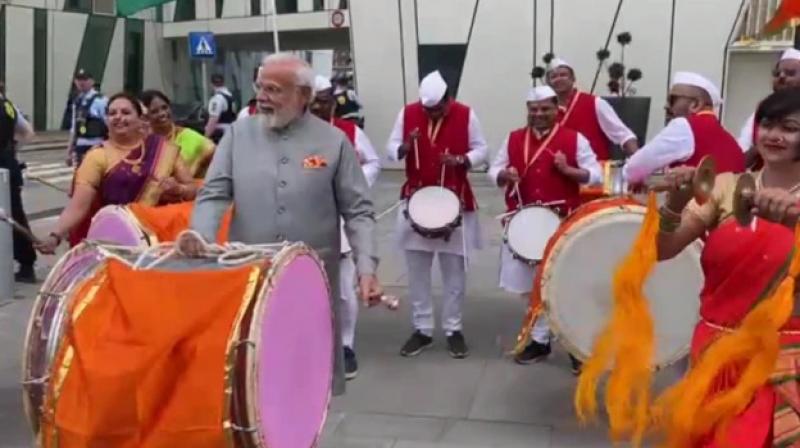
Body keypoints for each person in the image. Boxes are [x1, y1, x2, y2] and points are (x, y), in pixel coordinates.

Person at [180, 53, 383, 396]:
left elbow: (359, 210)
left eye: (274, 90)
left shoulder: (334, 141)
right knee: (250, 378)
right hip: (249, 276)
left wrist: (367, 267)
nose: (262, 96)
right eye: (260, 87)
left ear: (303, 96)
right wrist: (201, 234)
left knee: (306, 382)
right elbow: (214, 192)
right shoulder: (238, 136)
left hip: (311, 281)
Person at [632, 88, 800, 447]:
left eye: (789, 127)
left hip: (781, 358)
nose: (773, 135)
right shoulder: (726, 187)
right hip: (713, 350)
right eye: (767, 124)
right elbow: (662, 249)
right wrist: (675, 203)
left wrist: (789, 226)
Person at [489, 86, 602, 368]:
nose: (538, 114)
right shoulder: (514, 138)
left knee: (566, 285)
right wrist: (504, 174)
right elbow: (494, 169)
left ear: (556, 109)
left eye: (544, 109)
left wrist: (569, 170)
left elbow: (596, 174)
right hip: (524, 221)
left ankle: (576, 346)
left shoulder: (574, 139)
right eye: (533, 109)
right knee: (531, 287)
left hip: (562, 221)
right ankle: (540, 340)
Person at [386, 70, 488, 359]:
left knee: (454, 272)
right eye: (426, 110)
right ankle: (423, 329)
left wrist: (461, 159)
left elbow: (482, 149)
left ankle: (453, 328)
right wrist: (405, 146)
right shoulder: (407, 113)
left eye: (437, 109)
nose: (431, 114)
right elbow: (391, 148)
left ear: (448, 100)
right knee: (417, 272)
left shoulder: (466, 114)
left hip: (454, 197)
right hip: (416, 198)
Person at [36, 93, 198, 253]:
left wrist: (178, 189)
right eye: (112, 113)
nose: (118, 117)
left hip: (162, 240)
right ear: (106, 121)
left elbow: (194, 190)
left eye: (126, 113)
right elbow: (78, 205)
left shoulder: (163, 150)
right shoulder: (97, 156)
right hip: (117, 240)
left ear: (140, 119)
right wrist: (55, 235)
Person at [311, 74, 380, 379]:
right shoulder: (289, 134)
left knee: (343, 291)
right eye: (312, 101)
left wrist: (351, 185)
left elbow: (373, 163)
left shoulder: (349, 132)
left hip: (339, 222)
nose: (318, 106)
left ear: (332, 101)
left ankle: (346, 346)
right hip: (302, 222)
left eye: (323, 100)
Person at [623, 71, 745, 184]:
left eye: (672, 100)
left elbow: (634, 169)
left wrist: (634, 177)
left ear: (695, 104)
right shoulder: (724, 135)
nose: (666, 106)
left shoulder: (684, 126)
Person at [546, 58, 639, 159]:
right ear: (549, 82)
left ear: (573, 79)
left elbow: (624, 135)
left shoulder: (595, 103)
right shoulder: (544, 110)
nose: (559, 79)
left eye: (563, 75)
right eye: (554, 77)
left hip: (595, 170)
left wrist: (637, 160)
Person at [0, 82, 38, 283]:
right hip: (8, 164)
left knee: (12, 215)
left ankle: (25, 262)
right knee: (14, 213)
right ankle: (26, 263)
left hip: (3, 165)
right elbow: (28, 133)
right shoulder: (8, 105)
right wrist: (13, 150)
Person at [738, 48, 800, 166]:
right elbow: (744, 147)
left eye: (790, 73)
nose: (781, 76)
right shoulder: (763, 107)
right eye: (777, 73)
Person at [141, 90, 216, 179]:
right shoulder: (141, 143)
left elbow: (218, 158)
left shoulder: (190, 137)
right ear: (145, 117)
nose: (162, 113)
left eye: (165, 108)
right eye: (154, 111)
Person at [67, 69, 108, 167]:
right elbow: (74, 128)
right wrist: (69, 151)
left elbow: (108, 123)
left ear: (92, 82)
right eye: (78, 80)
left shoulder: (100, 100)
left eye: (85, 79)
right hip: (80, 145)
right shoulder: (77, 101)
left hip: (96, 144)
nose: (81, 82)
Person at [204, 73, 237, 143]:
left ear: (211, 84)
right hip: (230, 133)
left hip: (219, 136)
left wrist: (205, 138)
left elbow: (213, 120)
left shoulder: (217, 98)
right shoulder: (230, 96)